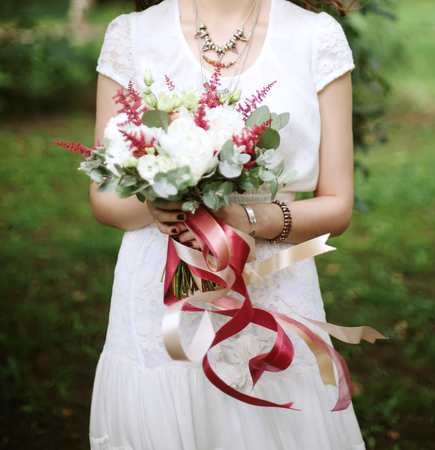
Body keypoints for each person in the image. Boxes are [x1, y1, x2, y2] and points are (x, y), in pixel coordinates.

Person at [89, 0, 364, 448]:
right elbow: (103, 199)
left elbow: (338, 205)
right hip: (156, 297)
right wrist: (160, 201)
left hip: (272, 288)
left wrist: (248, 219)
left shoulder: (317, 36)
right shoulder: (131, 34)